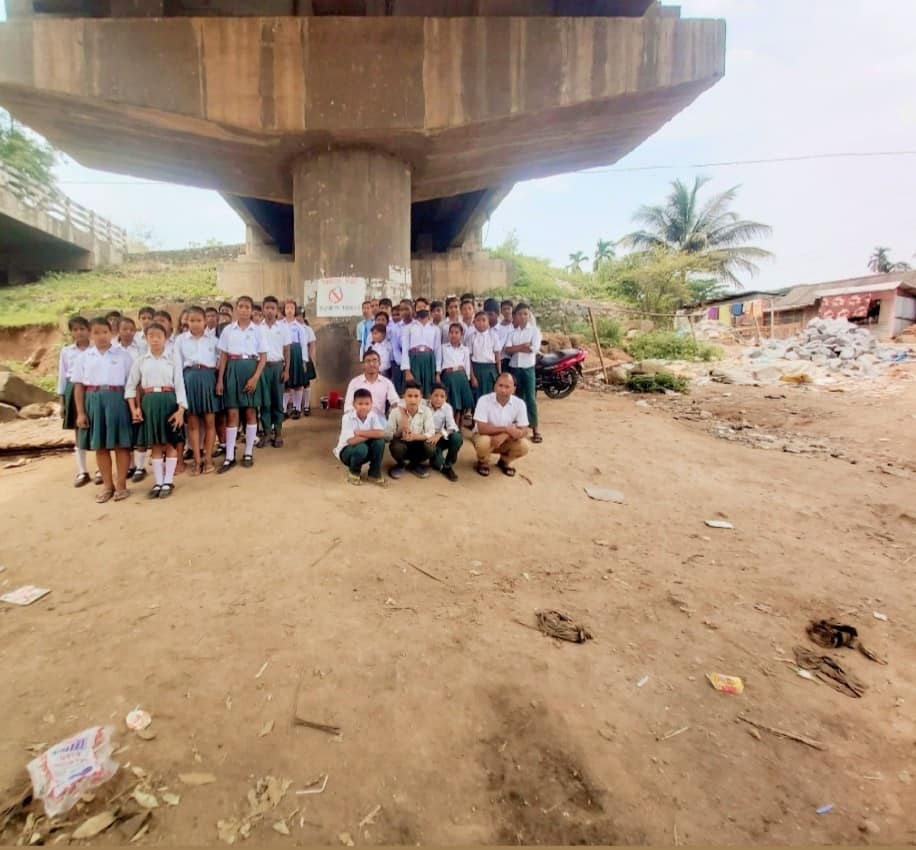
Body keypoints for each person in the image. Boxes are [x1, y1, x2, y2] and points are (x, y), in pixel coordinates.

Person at [72, 317, 135, 503]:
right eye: (96, 333)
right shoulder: (84, 357)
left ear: (112, 333)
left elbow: (132, 383)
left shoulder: (122, 355)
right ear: (91, 335)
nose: (101, 336)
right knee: (100, 446)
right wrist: (81, 412)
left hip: (118, 399)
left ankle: (122, 485)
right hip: (94, 400)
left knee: (121, 444)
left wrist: (134, 408)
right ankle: (108, 486)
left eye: (105, 332)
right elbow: (78, 386)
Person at [126, 322, 187, 499]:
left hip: (169, 401)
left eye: (158, 336)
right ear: (145, 338)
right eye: (150, 336)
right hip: (149, 403)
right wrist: (134, 409)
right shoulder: (141, 360)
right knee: (156, 445)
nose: (154, 339)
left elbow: (180, 386)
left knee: (170, 442)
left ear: (165, 338)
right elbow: (131, 387)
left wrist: (181, 410)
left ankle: (168, 481)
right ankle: (158, 482)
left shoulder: (172, 359)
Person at [215, 295, 267, 472]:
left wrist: (255, 378)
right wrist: (220, 379)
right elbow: (223, 356)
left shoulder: (258, 330)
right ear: (236, 309)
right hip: (232, 370)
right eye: (241, 306)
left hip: (251, 369)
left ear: (252, 310)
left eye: (247, 307)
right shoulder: (228, 330)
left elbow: (263, 357)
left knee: (251, 411)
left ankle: (248, 453)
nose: (244, 309)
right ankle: (229, 456)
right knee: (232, 413)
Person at [176, 305, 220, 475]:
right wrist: (180, 393)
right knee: (193, 424)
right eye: (192, 320)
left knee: (210, 422)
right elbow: (178, 366)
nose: (195, 324)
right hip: (189, 380)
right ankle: (196, 459)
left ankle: (208, 458)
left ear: (205, 321)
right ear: (187, 321)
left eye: (198, 320)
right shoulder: (180, 340)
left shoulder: (213, 340)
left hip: (208, 379)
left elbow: (220, 362)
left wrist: (217, 382)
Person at [472, 371, 531, 477]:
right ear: (495, 386)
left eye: (507, 387)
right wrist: (507, 429)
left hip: (506, 439)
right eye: (500, 385)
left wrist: (505, 435)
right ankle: (483, 462)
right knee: (483, 442)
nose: (503, 390)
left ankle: (504, 462)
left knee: (524, 446)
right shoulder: (484, 400)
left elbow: (524, 430)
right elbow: (482, 429)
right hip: (486, 436)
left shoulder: (520, 404)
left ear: (514, 389)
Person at [58, 315, 92, 487]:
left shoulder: (95, 349)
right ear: (71, 333)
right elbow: (62, 377)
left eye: (82, 329)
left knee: (97, 428)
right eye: (75, 330)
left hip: (92, 389)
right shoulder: (67, 352)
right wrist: (62, 402)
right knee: (79, 431)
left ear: (88, 330)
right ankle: (82, 471)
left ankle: (101, 470)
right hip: (73, 390)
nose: (79, 333)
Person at [333, 387, 388, 486]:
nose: (363, 407)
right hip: (347, 452)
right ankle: (354, 472)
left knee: (379, 442)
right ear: (354, 404)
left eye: (367, 404)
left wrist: (360, 433)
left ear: (371, 404)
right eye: (360, 404)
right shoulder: (347, 418)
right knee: (361, 448)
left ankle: (374, 473)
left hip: (363, 448)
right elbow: (351, 441)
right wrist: (371, 435)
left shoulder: (373, 415)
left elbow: (381, 433)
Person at [504, 302, 542, 443]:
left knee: (530, 398)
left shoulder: (534, 331)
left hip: (528, 368)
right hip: (514, 368)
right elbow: (507, 350)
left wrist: (517, 348)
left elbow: (533, 349)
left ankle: (535, 429)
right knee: (516, 398)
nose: (522, 316)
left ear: (528, 315)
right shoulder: (512, 333)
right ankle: (517, 428)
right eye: (520, 314)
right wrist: (522, 346)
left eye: (525, 313)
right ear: (515, 316)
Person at [258, 295, 291, 448]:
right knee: (265, 401)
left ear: (277, 310)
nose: (270, 311)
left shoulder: (283, 328)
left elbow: (287, 350)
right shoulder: (257, 328)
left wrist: (287, 369)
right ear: (263, 310)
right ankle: (266, 432)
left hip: (278, 367)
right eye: (267, 308)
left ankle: (278, 432)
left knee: (278, 401)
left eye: (273, 308)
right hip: (262, 368)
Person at [385, 381, 436, 479]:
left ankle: (415, 464)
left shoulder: (426, 411)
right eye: (409, 396)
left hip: (418, 443)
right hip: (402, 443)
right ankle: (400, 464)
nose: (413, 399)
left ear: (421, 397)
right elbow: (387, 435)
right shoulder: (395, 411)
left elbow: (431, 432)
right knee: (396, 447)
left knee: (431, 448)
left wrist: (414, 437)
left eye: (416, 396)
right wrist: (401, 429)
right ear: (404, 396)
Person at [400, 303, 441, 398]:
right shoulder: (408, 328)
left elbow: (438, 351)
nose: (422, 309)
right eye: (419, 307)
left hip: (429, 361)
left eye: (424, 306)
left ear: (429, 309)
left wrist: (438, 373)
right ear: (415, 310)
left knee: (428, 392)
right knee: (414, 390)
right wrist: (407, 371)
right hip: (414, 360)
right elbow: (405, 350)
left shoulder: (435, 329)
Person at [343, 350, 399, 418]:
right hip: (358, 420)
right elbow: (348, 407)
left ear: (380, 363)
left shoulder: (387, 383)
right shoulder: (354, 382)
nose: (371, 364)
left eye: (375, 360)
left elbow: (395, 402)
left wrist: (395, 414)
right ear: (363, 365)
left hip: (379, 422)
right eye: (368, 361)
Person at [427, 383, 462, 482]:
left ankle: (449, 463)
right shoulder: (424, 405)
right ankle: (442, 464)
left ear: (446, 398)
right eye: (436, 395)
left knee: (456, 437)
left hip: (440, 437)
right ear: (430, 396)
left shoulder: (447, 408)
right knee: (436, 463)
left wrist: (440, 434)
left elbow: (452, 427)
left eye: (442, 396)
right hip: (428, 438)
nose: (439, 399)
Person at [438, 323, 474, 416]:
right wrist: (439, 374)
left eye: (456, 332)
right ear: (448, 334)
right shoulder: (443, 348)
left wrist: (468, 378)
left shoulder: (465, 349)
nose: (453, 335)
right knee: (451, 400)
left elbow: (467, 365)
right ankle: (451, 423)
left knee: (461, 401)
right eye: (451, 332)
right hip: (448, 376)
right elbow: (439, 362)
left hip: (461, 376)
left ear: (461, 335)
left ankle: (459, 424)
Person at [466, 310, 501, 401]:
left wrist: (499, 374)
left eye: (484, 320)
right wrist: (472, 377)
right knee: (477, 397)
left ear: (488, 322)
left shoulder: (493, 336)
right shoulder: (471, 337)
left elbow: (497, 356)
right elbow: (468, 358)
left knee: (490, 396)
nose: (481, 323)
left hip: (490, 370)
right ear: (474, 323)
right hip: (476, 369)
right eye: (478, 320)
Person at [282, 299, 307, 418]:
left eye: (292, 308)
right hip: (283, 353)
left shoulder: (299, 326)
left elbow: (303, 344)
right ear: (284, 309)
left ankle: (297, 408)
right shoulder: (280, 324)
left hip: (296, 353)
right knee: (285, 383)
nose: (289, 310)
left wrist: (304, 361)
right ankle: (283, 409)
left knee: (297, 383)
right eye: (287, 308)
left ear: (295, 310)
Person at [298, 315, 318, 416]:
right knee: (293, 384)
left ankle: (306, 406)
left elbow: (312, 345)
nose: (298, 318)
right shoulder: (288, 327)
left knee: (306, 383)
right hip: (293, 359)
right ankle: (295, 407)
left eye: (300, 316)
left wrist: (310, 358)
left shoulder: (307, 329)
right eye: (296, 315)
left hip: (305, 358)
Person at [497, 299, 514, 373]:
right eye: (504, 309)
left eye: (508, 309)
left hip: (515, 359)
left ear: (512, 310)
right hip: (504, 360)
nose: (507, 311)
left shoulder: (516, 325)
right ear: (501, 311)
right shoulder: (498, 327)